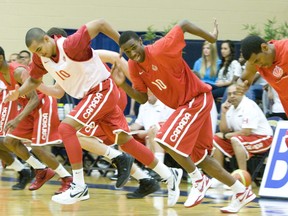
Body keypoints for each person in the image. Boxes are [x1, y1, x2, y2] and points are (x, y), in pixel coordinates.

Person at [4, 19, 182, 206]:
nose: (39, 55)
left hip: (104, 90)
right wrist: (19, 92)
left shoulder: (72, 44)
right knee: (123, 141)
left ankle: (79, 185)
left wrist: (126, 52)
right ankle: (168, 174)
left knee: (67, 128)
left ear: (48, 39)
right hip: (92, 99)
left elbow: (100, 25)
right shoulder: (42, 59)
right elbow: (38, 83)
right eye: (35, 53)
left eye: (40, 49)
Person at [111, 19, 256, 213]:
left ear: (140, 40)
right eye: (127, 52)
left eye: (133, 47)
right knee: (201, 159)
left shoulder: (161, 47)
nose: (132, 53)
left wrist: (211, 37)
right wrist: (122, 85)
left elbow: (184, 24)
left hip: (197, 98)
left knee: (163, 138)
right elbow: (143, 98)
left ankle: (198, 179)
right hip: (185, 106)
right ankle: (241, 192)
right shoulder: (134, 66)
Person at [0, 46, 73, 194]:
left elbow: (34, 98)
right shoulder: (2, 73)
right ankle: (41, 170)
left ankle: (68, 179)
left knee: (38, 147)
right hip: (28, 107)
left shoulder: (19, 71)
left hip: (43, 104)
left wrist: (17, 118)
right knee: (9, 141)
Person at [238, 35, 288, 147]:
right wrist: (241, 86)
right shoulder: (254, 64)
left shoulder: (286, 49)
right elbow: (243, 80)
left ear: (265, 47)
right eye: (255, 63)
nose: (258, 65)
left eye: (258, 60)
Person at [213, 84, 273, 172]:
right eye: (229, 94)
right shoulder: (230, 108)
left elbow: (246, 132)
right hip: (243, 138)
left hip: (263, 138)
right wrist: (223, 113)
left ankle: (244, 178)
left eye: (235, 93)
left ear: (242, 93)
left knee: (235, 140)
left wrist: (226, 136)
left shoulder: (249, 106)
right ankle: (219, 176)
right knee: (215, 139)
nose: (232, 96)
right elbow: (224, 130)